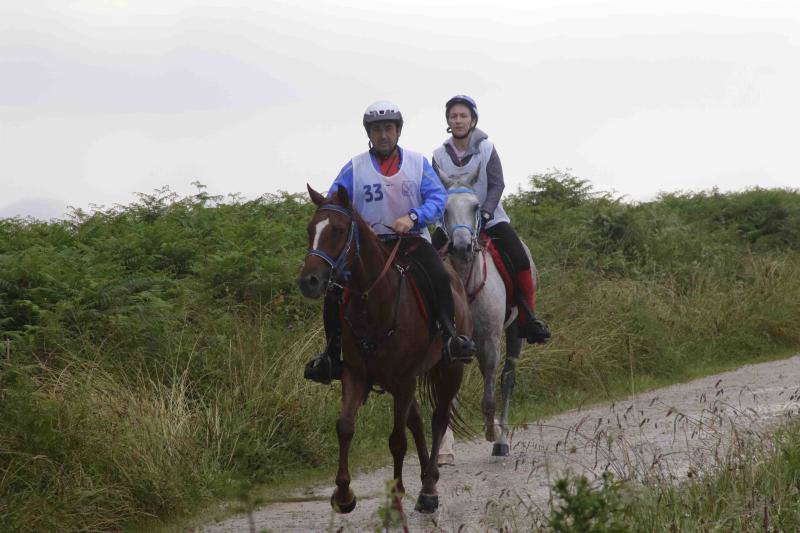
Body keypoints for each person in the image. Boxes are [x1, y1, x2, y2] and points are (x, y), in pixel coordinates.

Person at [304, 100, 477, 385]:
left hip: (410, 241)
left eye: (388, 129)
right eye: (376, 130)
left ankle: (450, 337)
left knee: (437, 274)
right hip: (368, 248)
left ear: (397, 131)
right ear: (369, 134)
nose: (383, 135)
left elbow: (437, 198)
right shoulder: (354, 168)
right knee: (335, 290)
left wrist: (413, 216)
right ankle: (332, 355)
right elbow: (334, 202)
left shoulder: (417, 163)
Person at [431, 95, 551, 345]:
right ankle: (433, 320)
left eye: (463, 115)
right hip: (453, 221)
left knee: (519, 258)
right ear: (448, 121)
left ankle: (527, 319)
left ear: (473, 119)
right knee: (428, 262)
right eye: (453, 116)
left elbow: (497, 183)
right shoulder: (438, 155)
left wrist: (485, 212)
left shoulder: (487, 148)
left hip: (489, 217)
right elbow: (435, 190)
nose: (458, 120)